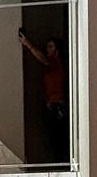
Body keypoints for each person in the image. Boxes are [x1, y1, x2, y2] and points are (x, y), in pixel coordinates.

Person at [18, 28, 69, 163]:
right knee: (53, 139)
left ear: (57, 50)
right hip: (52, 106)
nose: (48, 49)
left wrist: (27, 43)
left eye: (51, 47)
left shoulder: (57, 63)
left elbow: (43, 59)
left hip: (58, 107)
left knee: (57, 140)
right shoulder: (52, 66)